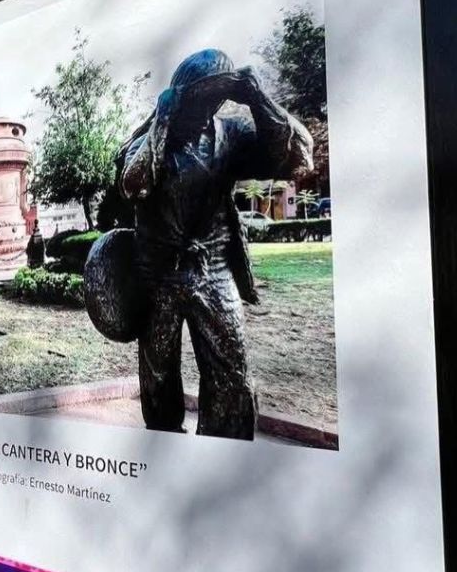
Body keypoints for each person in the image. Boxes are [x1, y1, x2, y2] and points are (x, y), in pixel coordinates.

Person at [118, 49, 313, 440]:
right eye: (197, 100)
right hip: (161, 275)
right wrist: (162, 120)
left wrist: (258, 97)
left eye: (214, 99)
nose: (204, 109)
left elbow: (295, 155)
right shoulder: (150, 139)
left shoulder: (231, 135)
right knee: (158, 373)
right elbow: (134, 183)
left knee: (231, 370)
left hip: (215, 270)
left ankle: (226, 445)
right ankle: (163, 439)